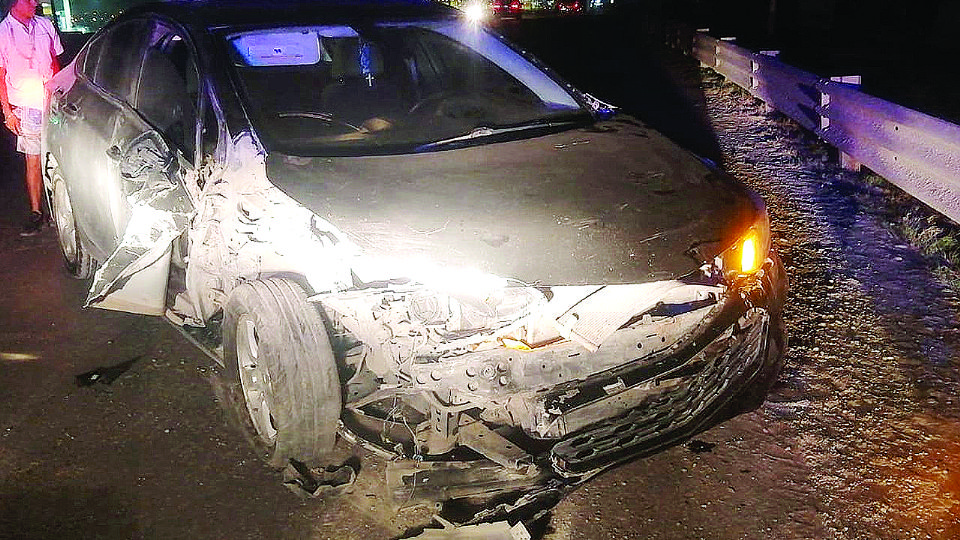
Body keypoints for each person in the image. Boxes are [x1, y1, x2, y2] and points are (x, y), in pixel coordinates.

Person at [0, 0, 62, 236]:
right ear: (14, 3)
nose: (34, 2)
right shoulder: (3, 33)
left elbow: (56, 60)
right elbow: (0, 75)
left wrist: (58, 91)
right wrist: (7, 113)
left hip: (52, 103)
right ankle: (37, 212)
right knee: (33, 159)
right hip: (26, 107)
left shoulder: (45, 25)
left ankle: (61, 208)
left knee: (59, 154)